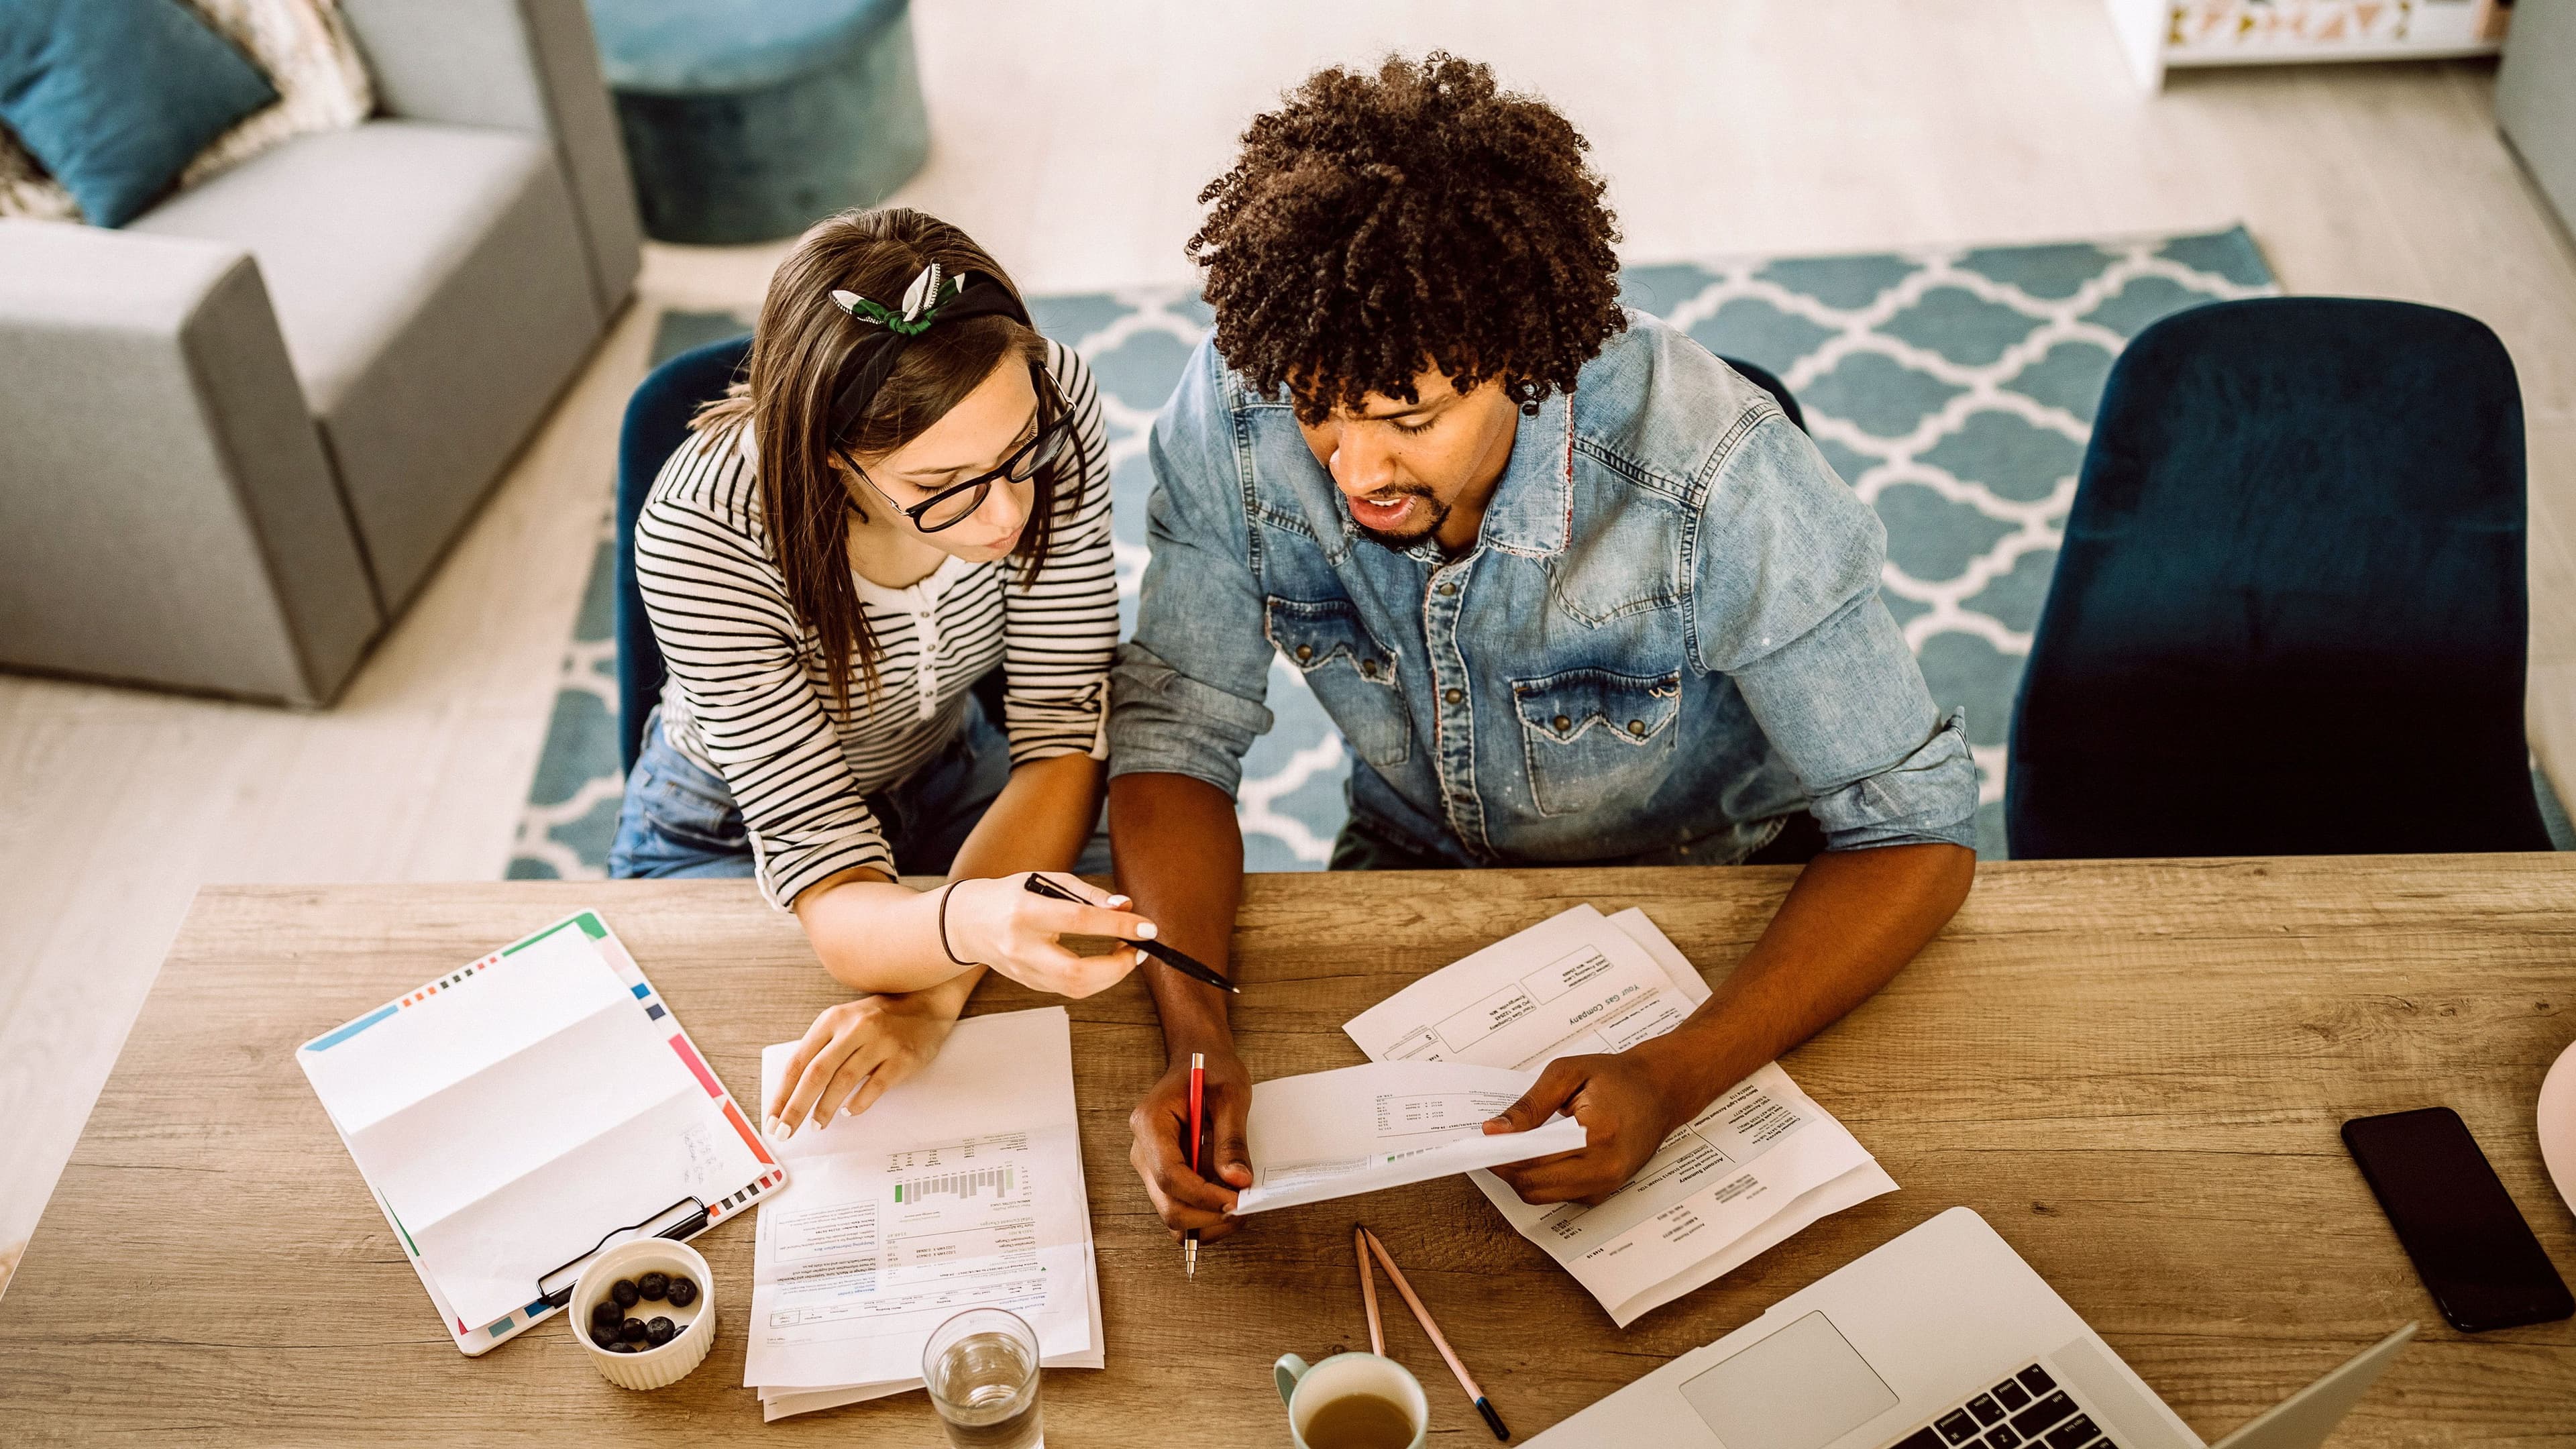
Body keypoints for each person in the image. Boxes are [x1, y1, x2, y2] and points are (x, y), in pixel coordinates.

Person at [1109, 56, 1980, 1242]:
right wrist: (1199, 1038)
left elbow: (1916, 832)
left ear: (1523, 364)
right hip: (1405, 863)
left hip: (1711, 893)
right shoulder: (1232, 409)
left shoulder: (1715, 471)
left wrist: (1675, 1076)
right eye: (1322, 408)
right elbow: (1175, 738)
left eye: (1410, 419)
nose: (1355, 471)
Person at [610, 208, 1150, 1138]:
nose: (1007, 514)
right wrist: (972, 928)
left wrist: (933, 998)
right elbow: (831, 879)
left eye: (1021, 455)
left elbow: (1064, 731)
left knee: (1127, 1012)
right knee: (703, 1119)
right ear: (829, 454)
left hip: (953, 769)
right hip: (726, 825)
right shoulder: (702, 532)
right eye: (944, 487)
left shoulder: (1050, 391)